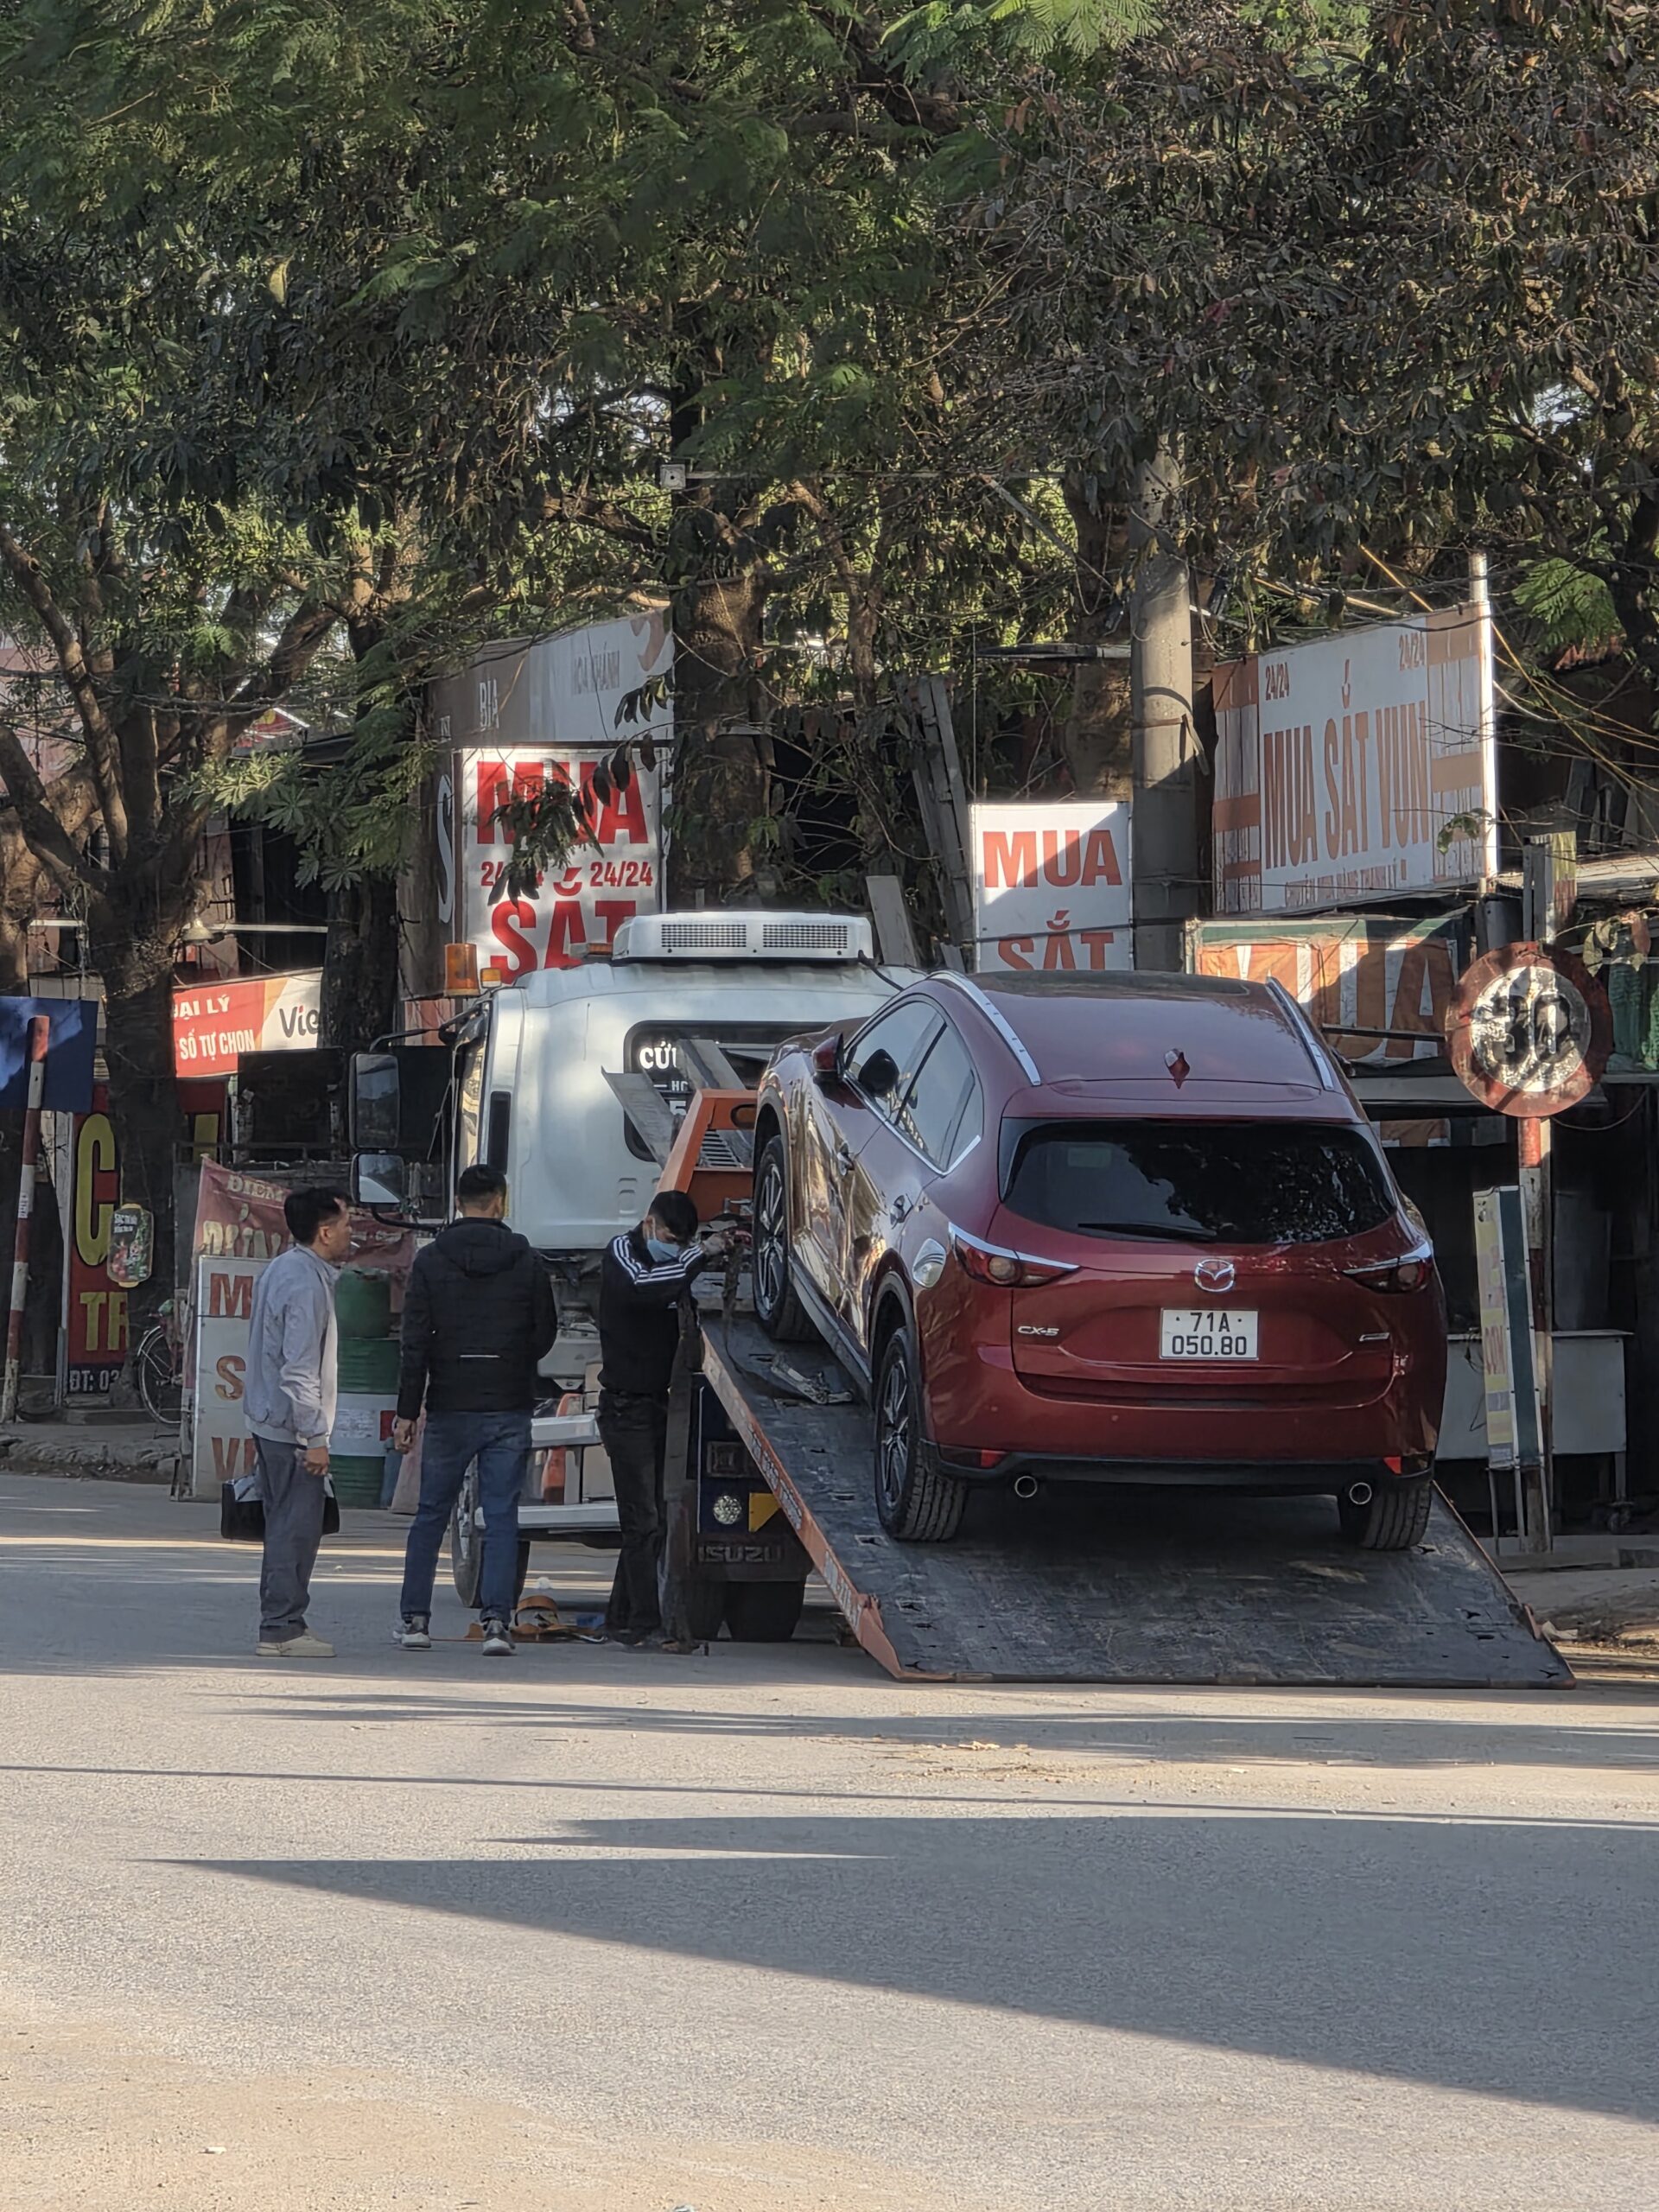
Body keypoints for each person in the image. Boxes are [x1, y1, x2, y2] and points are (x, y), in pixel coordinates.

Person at [392, 1162, 557, 1656]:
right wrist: (515, 1362)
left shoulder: (431, 1261)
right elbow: (544, 1331)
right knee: (502, 1515)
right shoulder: (526, 1260)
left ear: (458, 1202)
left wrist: (407, 1411)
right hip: (508, 1402)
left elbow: (414, 1342)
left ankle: (416, 1620)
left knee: (430, 1515)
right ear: (500, 1201)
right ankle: (497, 1625)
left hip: (449, 1404)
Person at [596, 1190, 739, 1645]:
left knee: (652, 1518)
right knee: (643, 1521)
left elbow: (677, 1279)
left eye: (683, 1243)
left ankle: (622, 1617)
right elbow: (645, 1286)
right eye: (671, 1239)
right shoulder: (623, 1251)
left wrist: (718, 1252)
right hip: (624, 1407)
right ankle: (644, 1624)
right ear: (650, 1224)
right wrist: (699, 1255)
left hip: (658, 1401)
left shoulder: (675, 1261)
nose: (674, 1247)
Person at [244, 1185, 353, 1658]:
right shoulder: (305, 1283)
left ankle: (283, 1620)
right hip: (291, 1427)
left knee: (286, 1524)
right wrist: (315, 1436)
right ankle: (282, 1627)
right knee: (296, 1527)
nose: (353, 1232)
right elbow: (299, 1367)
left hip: (271, 1419)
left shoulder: (288, 1269)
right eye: (347, 1224)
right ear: (325, 1231)